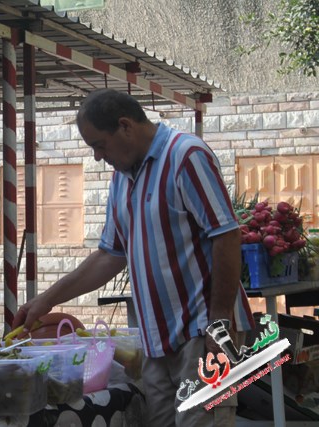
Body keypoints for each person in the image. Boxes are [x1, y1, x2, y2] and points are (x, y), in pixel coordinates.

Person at [13, 89, 254, 426]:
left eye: (99, 144)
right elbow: (109, 256)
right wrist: (46, 300)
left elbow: (226, 236)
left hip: (202, 333)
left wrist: (219, 324)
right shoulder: (121, 179)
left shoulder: (186, 156)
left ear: (125, 126)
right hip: (156, 340)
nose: (97, 156)